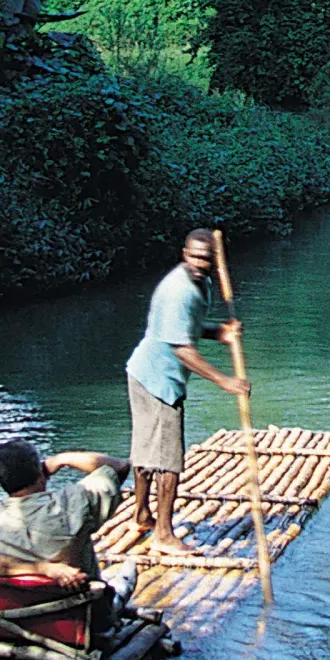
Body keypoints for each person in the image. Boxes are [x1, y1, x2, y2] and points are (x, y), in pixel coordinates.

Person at [126, 229, 246, 554]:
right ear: (184, 253)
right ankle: (164, 535)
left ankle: (142, 514)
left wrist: (219, 331)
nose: (197, 263)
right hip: (158, 380)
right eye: (192, 256)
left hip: (146, 373)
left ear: (214, 261)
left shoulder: (201, 284)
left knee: (148, 451)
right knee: (168, 461)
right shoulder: (179, 290)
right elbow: (182, 349)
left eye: (205, 259)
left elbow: (187, 328)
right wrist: (225, 381)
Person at [0, 440, 137, 627]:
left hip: (15, 617)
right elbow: (119, 467)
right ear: (40, 472)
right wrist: (62, 459)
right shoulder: (73, 502)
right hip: (83, 619)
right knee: (128, 572)